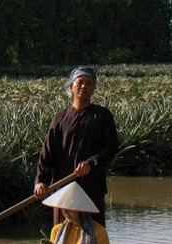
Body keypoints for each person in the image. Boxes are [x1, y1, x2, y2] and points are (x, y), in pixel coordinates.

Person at [34, 66, 120, 226]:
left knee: (93, 237)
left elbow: (111, 146)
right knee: (61, 239)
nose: (83, 86)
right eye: (79, 82)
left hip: (91, 189)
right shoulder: (59, 118)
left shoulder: (102, 116)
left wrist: (91, 163)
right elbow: (47, 154)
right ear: (71, 86)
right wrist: (41, 181)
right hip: (62, 189)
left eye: (89, 83)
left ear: (93, 88)